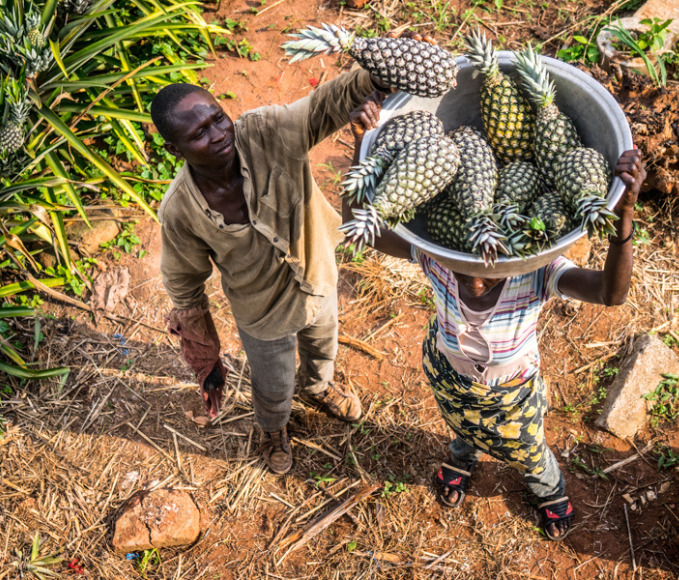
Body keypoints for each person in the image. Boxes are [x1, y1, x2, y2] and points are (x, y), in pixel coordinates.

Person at [347, 92, 646, 540]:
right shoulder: (436, 256)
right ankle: (463, 455)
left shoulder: (538, 272)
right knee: (460, 424)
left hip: (511, 388)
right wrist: (362, 145)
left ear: (516, 257)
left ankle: (548, 490)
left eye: (491, 270)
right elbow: (363, 227)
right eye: (465, 267)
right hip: (447, 369)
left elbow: (611, 294)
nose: (476, 280)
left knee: (528, 448)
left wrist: (625, 212)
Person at [150, 67, 395, 475]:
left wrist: (377, 76)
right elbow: (184, 284)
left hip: (317, 276)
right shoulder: (180, 210)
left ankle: (318, 387)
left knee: (323, 348)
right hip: (260, 312)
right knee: (273, 383)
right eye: (199, 135)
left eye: (217, 118)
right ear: (176, 150)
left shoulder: (266, 131)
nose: (218, 134)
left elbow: (324, 105)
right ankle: (273, 428)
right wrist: (205, 358)